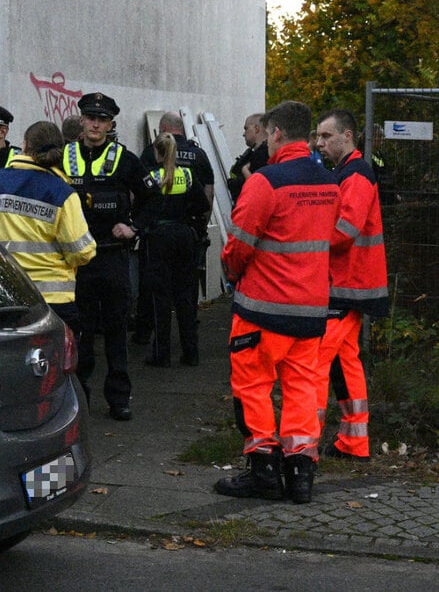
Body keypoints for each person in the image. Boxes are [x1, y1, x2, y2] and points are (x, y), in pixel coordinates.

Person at [215, 100, 340, 505]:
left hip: (263, 309)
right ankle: (301, 475)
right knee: (303, 390)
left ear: (277, 134)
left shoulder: (265, 182)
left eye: (268, 136)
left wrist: (232, 275)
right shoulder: (329, 184)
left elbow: (238, 247)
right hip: (310, 310)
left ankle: (264, 471)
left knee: (254, 387)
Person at [0, 121, 96, 341]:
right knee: (59, 368)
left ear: (24, 145)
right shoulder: (62, 192)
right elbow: (81, 252)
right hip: (51, 301)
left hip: (2, 296)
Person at [63, 92, 145, 421]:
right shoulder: (63, 156)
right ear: (81, 120)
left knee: (115, 331)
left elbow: (151, 196)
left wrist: (134, 226)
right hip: (77, 260)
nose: (95, 123)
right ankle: (80, 396)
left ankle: (119, 398)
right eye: (90, 117)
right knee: (79, 330)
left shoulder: (125, 158)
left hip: (112, 258)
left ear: (110, 124)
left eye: (102, 119)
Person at [313, 108, 389, 461]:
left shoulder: (355, 174)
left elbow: (346, 228)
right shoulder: (349, 172)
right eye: (318, 136)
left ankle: (302, 445)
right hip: (352, 284)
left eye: (326, 136)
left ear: (348, 136)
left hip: (345, 284)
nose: (319, 143)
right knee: (346, 364)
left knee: (314, 364)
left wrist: (308, 244)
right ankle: (353, 441)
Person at [132, 110, 215, 343]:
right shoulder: (197, 156)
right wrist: (200, 227)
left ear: (163, 129)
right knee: (185, 293)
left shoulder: (150, 156)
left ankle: (152, 341)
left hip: (156, 235)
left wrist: (137, 225)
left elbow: (137, 196)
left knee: (154, 292)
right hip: (186, 233)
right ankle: (190, 348)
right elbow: (207, 194)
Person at [227, 113, 269, 204]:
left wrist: (245, 171)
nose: (244, 134)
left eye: (246, 129)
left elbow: (258, 189)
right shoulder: (255, 154)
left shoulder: (263, 155)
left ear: (256, 129)